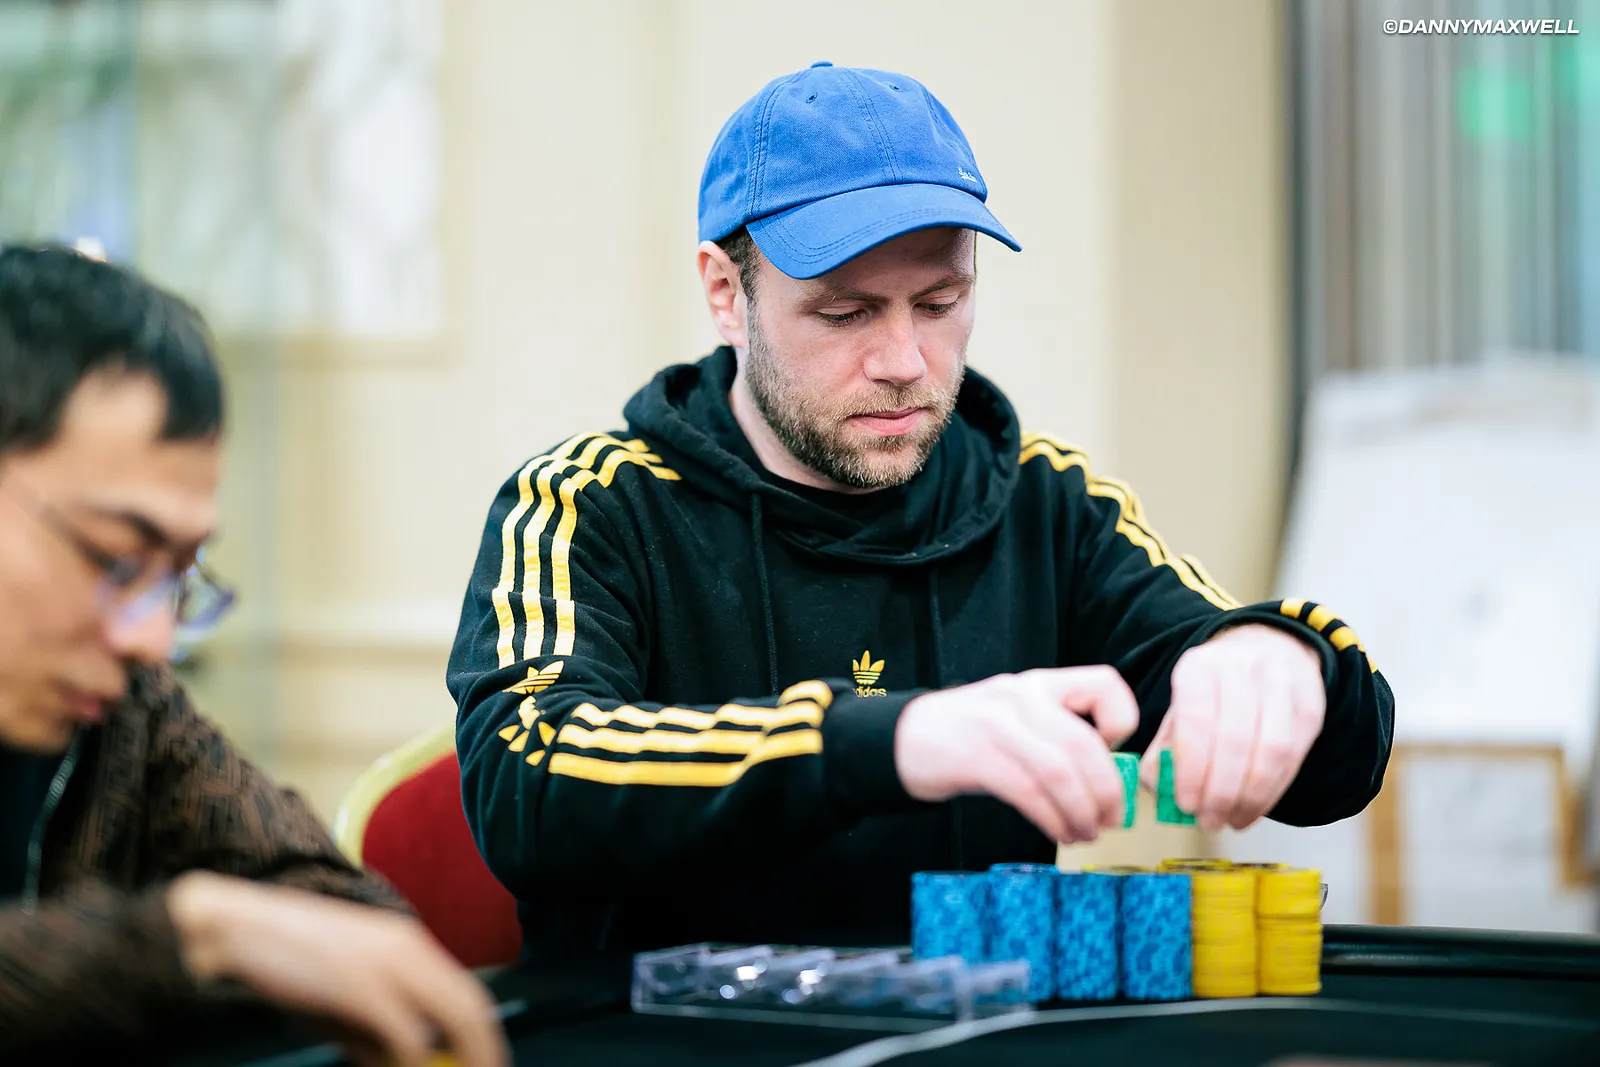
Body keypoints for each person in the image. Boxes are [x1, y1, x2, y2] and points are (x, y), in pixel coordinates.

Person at [449, 62, 1394, 961]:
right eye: (846, 313)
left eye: (941, 301)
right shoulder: (589, 504)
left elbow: (1331, 765)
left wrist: (1287, 660)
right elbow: (526, 782)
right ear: (726, 294)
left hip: (978, 1036)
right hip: (672, 1038)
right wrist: (891, 740)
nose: (905, 361)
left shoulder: (1042, 500)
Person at [0, 245, 506, 1067]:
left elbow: (339, 915)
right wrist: (194, 936)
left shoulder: (127, 705)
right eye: (116, 558)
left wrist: (217, 939)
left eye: (176, 576)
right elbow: (218, 934)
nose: (152, 638)